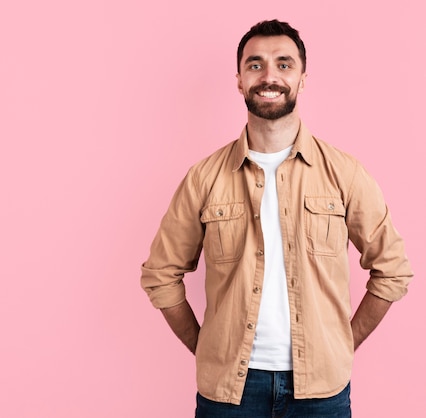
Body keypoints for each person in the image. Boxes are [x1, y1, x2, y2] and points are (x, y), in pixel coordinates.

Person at [140, 19, 413, 417]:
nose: (270, 75)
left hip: (322, 391)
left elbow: (393, 270)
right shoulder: (204, 178)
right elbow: (160, 274)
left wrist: (342, 344)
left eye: (284, 64)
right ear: (239, 80)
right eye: (255, 65)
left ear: (303, 79)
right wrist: (207, 349)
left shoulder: (344, 173)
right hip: (229, 393)